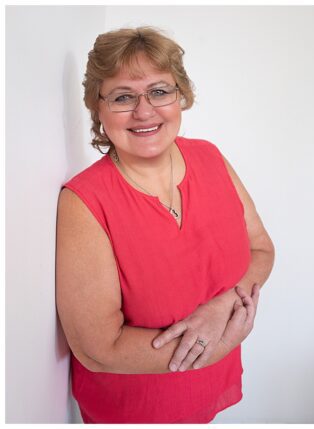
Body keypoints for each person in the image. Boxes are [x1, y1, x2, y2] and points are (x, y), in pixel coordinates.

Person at [55, 27, 274, 423]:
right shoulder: (85, 201)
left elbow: (261, 250)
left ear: (181, 97)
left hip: (208, 386)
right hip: (135, 411)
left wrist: (224, 305)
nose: (144, 111)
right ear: (98, 108)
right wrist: (218, 343)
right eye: (123, 97)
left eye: (159, 91)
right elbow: (97, 348)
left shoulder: (211, 159)